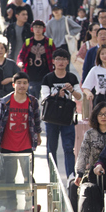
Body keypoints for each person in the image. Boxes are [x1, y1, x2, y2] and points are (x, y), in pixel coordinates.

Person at [0, 71, 41, 212]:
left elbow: (37, 121)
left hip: (26, 145)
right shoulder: (5, 101)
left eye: (24, 83)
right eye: (19, 83)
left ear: (28, 85)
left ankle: (29, 204)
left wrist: (38, 136)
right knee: (9, 177)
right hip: (7, 145)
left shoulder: (32, 102)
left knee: (28, 176)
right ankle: (11, 204)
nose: (22, 86)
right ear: (13, 85)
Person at [40, 48, 81, 178]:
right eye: (58, 59)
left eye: (64, 59)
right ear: (53, 61)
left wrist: (72, 91)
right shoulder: (48, 78)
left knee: (69, 148)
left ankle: (70, 176)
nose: (61, 62)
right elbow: (45, 97)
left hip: (67, 118)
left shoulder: (72, 77)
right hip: (51, 118)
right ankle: (53, 176)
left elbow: (80, 97)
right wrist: (57, 94)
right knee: (51, 149)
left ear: (68, 62)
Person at [74, 102, 106, 185]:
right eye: (100, 114)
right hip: (94, 171)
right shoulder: (89, 134)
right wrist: (79, 173)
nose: (103, 117)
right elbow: (83, 154)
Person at [17, 19, 55, 99]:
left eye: (40, 27)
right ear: (32, 29)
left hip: (46, 76)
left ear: (43, 29)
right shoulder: (28, 42)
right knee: (33, 100)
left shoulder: (49, 42)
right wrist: (20, 63)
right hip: (32, 76)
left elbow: (55, 56)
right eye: (36, 27)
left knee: (47, 100)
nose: (38, 29)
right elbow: (21, 56)